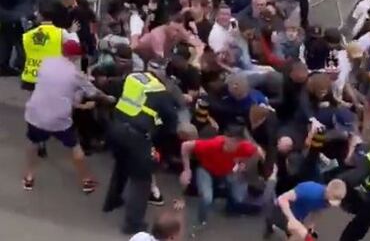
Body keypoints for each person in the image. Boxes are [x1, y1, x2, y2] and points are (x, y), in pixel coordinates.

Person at [22, 40, 113, 193]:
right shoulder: (75, 73)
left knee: (33, 143)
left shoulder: (46, 62)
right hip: (59, 119)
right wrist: (108, 98)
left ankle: (29, 177)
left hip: (35, 113)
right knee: (74, 147)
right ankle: (86, 180)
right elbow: (94, 92)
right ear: (76, 56)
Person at [102, 63, 178, 234]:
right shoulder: (163, 94)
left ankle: (112, 201)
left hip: (115, 128)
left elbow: (112, 90)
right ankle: (133, 224)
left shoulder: (134, 78)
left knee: (121, 166)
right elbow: (170, 125)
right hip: (137, 137)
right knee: (141, 180)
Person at [179, 125, 259, 228]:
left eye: (234, 142)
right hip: (206, 170)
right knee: (206, 198)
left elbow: (256, 153)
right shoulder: (213, 144)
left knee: (238, 198)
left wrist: (244, 164)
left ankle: (228, 204)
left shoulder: (246, 147)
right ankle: (201, 221)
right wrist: (187, 169)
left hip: (228, 171)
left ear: (240, 142)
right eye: (228, 140)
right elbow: (185, 146)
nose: (229, 144)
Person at [264, 179, 347, 240]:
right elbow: (282, 199)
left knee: (299, 235)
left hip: (297, 216)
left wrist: (310, 225)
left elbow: (317, 210)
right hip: (281, 211)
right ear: (328, 190)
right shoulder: (309, 190)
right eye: (332, 199)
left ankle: (270, 228)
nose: (331, 204)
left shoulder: (328, 202)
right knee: (299, 236)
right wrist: (292, 220)